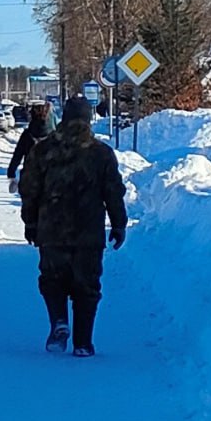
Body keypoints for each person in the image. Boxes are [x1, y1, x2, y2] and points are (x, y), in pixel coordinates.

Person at [17, 94, 127, 357]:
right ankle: (83, 343)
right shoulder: (101, 153)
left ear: (63, 118)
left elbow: (29, 188)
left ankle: (59, 321)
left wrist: (30, 221)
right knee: (87, 286)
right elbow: (113, 191)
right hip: (89, 233)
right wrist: (119, 224)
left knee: (52, 280)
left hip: (51, 230)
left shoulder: (42, 150)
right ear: (88, 120)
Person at [5, 101, 51, 193]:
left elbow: (17, 155)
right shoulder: (52, 135)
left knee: (29, 205)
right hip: (48, 178)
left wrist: (11, 174)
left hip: (29, 177)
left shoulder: (27, 135)